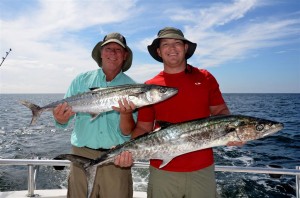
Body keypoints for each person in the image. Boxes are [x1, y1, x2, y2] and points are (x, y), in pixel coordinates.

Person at [116, 27, 238, 198]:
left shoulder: (205, 77)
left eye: (177, 43)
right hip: (163, 171)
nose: (172, 48)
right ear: (159, 51)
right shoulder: (150, 87)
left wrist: (233, 131)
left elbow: (220, 111)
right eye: (166, 44)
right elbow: (143, 128)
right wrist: (127, 151)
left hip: (202, 169)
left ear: (185, 48)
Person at [53, 32, 135, 198]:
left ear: (125, 55)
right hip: (81, 154)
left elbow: (128, 132)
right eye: (108, 48)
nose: (113, 53)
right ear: (101, 53)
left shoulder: (133, 87)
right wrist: (60, 119)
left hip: (116, 158)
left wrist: (126, 114)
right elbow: (63, 119)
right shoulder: (80, 80)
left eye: (118, 50)